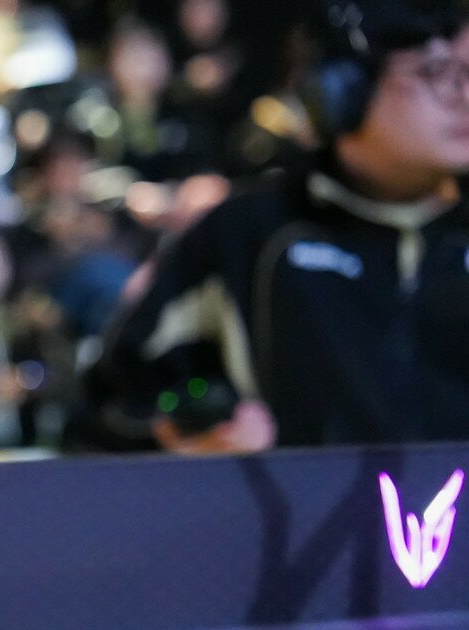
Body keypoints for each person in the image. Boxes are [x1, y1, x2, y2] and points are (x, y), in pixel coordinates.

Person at [93, 1, 469, 453]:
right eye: (436, 72)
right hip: (295, 501)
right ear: (342, 89)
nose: (464, 96)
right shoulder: (250, 231)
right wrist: (197, 432)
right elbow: (113, 401)